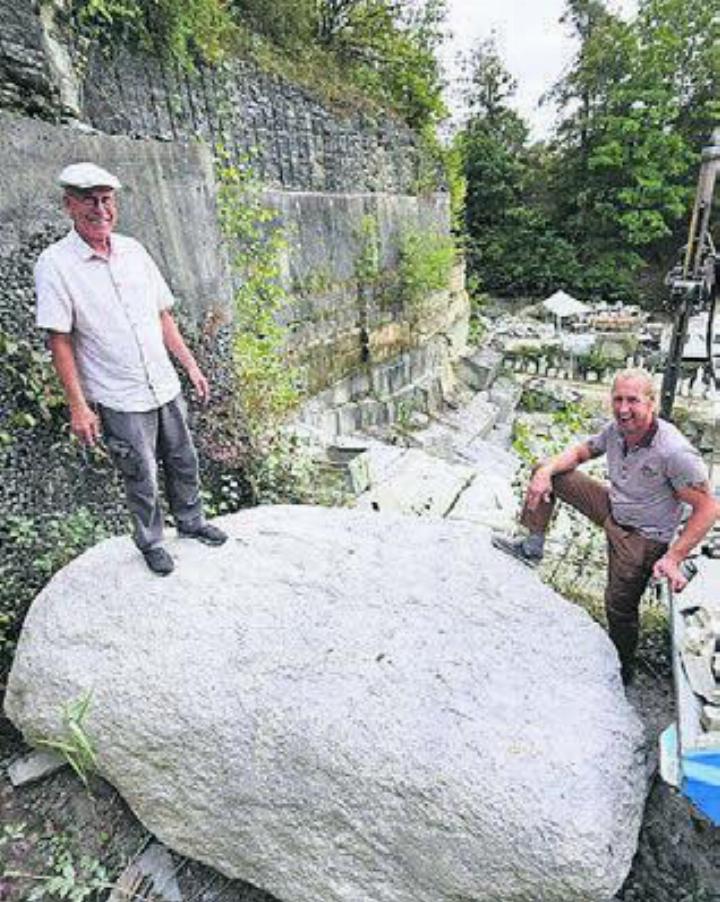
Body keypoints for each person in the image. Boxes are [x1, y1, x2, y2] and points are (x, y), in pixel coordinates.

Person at [35, 161, 227, 576]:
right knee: (139, 473)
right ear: (69, 205)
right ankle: (152, 541)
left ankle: (191, 522)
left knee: (182, 458)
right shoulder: (55, 264)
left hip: (162, 382)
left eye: (106, 200)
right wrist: (78, 406)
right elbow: (59, 340)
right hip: (118, 393)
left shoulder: (134, 250)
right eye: (89, 201)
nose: (100, 209)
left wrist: (190, 366)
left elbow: (162, 316)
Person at [493, 369, 719, 684]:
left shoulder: (673, 452)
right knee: (550, 471)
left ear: (651, 403)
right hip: (614, 508)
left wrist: (674, 557)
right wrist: (545, 472)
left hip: (642, 538)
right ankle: (532, 545)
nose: (624, 409)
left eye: (633, 401)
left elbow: (708, 507)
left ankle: (621, 671)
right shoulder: (617, 431)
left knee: (618, 608)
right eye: (618, 399)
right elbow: (581, 452)